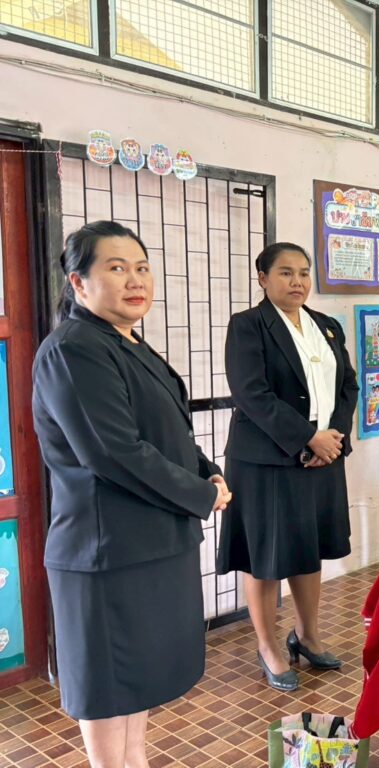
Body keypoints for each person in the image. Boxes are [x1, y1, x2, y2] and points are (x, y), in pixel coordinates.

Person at [32, 221, 232, 767]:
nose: (135, 280)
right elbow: (114, 451)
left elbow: (168, 433)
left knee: (137, 682)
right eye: (116, 268)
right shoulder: (73, 349)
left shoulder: (125, 341)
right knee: (109, 685)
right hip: (107, 553)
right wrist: (199, 494)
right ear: (78, 282)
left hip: (151, 543)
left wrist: (209, 473)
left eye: (142, 267)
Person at [216, 242, 358, 691]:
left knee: (307, 547)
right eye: (285, 272)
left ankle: (308, 635)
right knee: (265, 556)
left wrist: (333, 437)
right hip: (266, 462)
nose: (297, 282)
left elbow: (348, 387)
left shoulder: (327, 326)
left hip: (323, 458)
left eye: (303, 272)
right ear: (263, 278)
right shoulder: (248, 326)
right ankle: (268, 647)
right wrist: (307, 437)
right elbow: (251, 394)